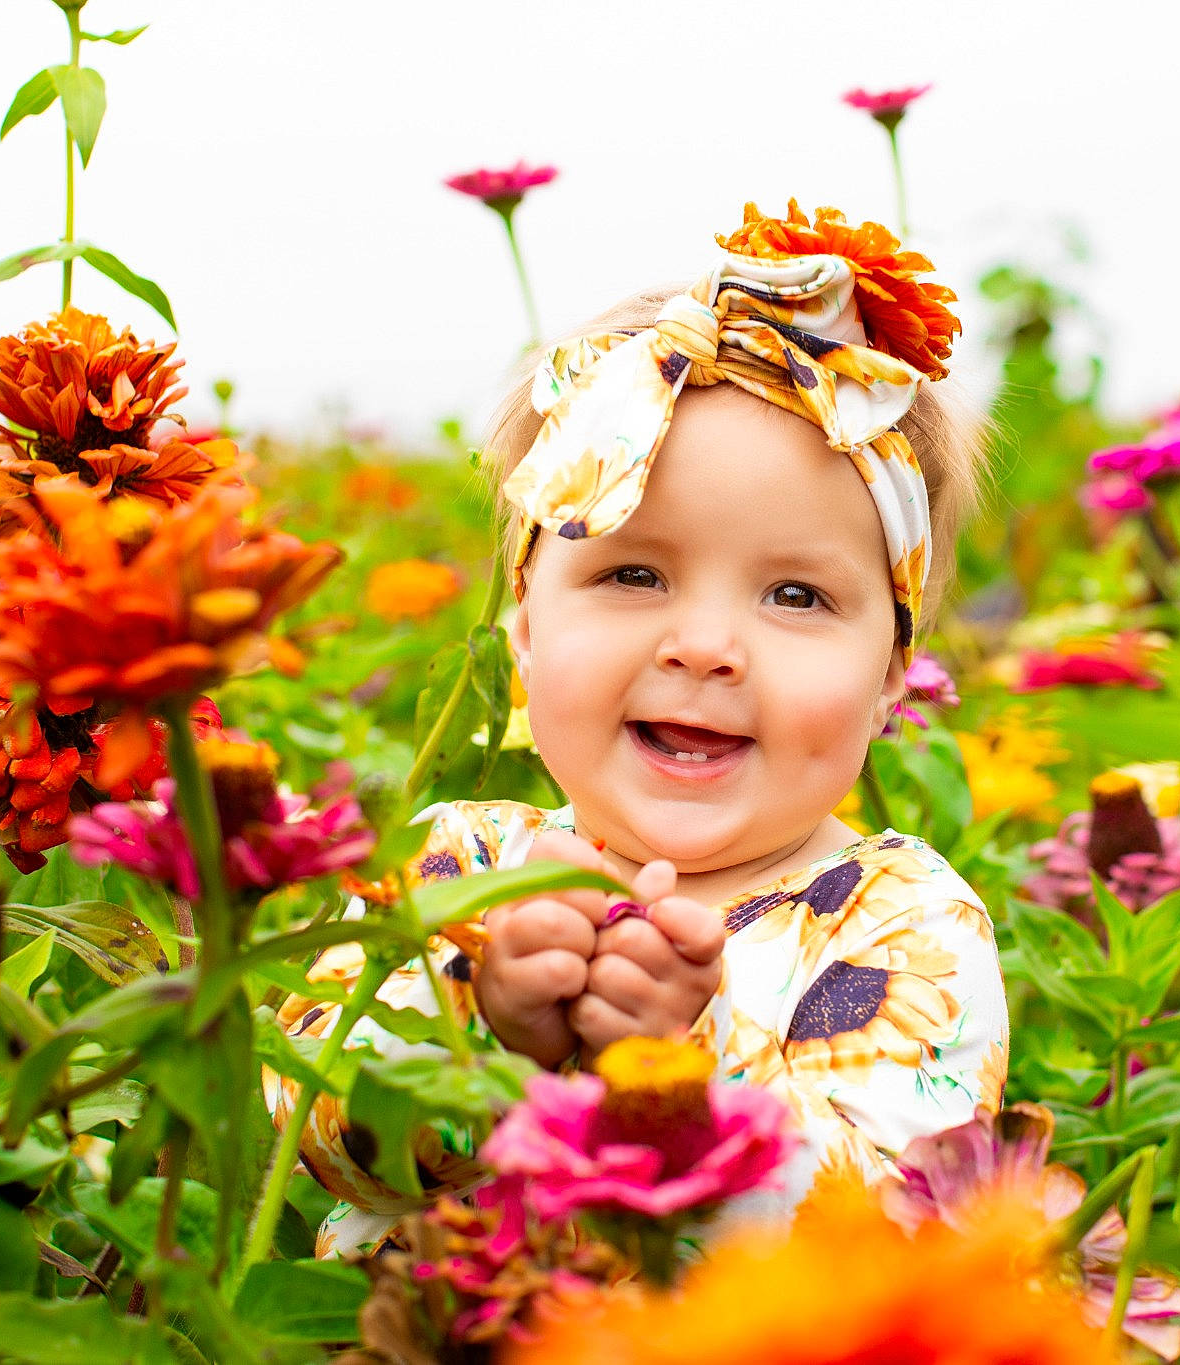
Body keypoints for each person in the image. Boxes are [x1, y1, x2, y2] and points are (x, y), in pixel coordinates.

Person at [265, 200, 1009, 1258]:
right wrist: (490, 1034)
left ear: (891, 671)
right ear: (523, 629)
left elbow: (884, 1242)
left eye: (795, 596)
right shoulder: (449, 866)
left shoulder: (902, 927)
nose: (704, 645)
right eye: (631, 573)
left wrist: (666, 1082)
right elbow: (307, 1135)